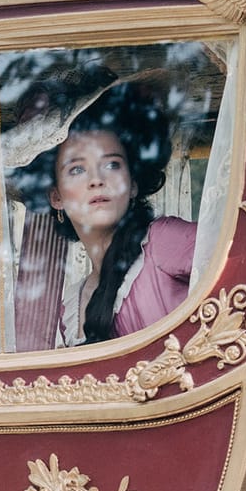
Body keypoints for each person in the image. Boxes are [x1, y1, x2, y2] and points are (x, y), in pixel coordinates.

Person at [34, 84, 197, 348]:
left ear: (132, 183)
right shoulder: (70, 310)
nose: (97, 180)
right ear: (57, 197)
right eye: (77, 169)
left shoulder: (163, 243)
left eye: (112, 165)